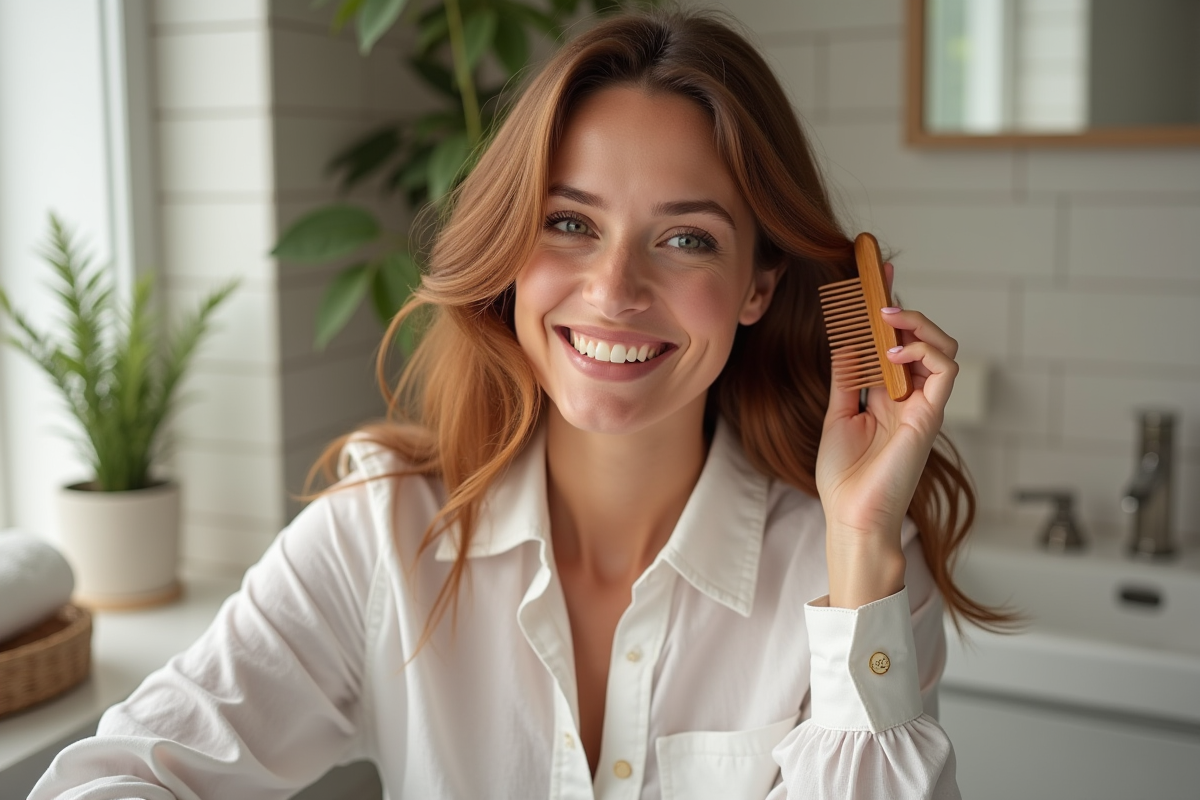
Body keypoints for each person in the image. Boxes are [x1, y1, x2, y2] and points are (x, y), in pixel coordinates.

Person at [33, 8, 1006, 799]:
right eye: (570, 223)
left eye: (688, 239)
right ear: (509, 252)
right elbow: (114, 778)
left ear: (758, 285)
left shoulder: (852, 576)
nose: (615, 288)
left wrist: (865, 541)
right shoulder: (381, 536)